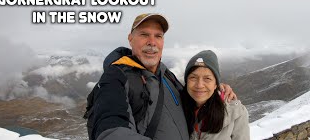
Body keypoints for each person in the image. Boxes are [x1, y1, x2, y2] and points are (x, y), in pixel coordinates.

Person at [91, 13, 237, 140]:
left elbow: (191, 99)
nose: (152, 42)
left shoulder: (164, 72)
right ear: (130, 39)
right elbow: (111, 132)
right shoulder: (116, 77)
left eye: (158, 36)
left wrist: (215, 89)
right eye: (144, 34)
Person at [181, 50, 250, 140]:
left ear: (215, 84)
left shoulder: (236, 113)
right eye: (193, 77)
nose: (199, 85)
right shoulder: (177, 107)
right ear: (186, 82)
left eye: (207, 78)